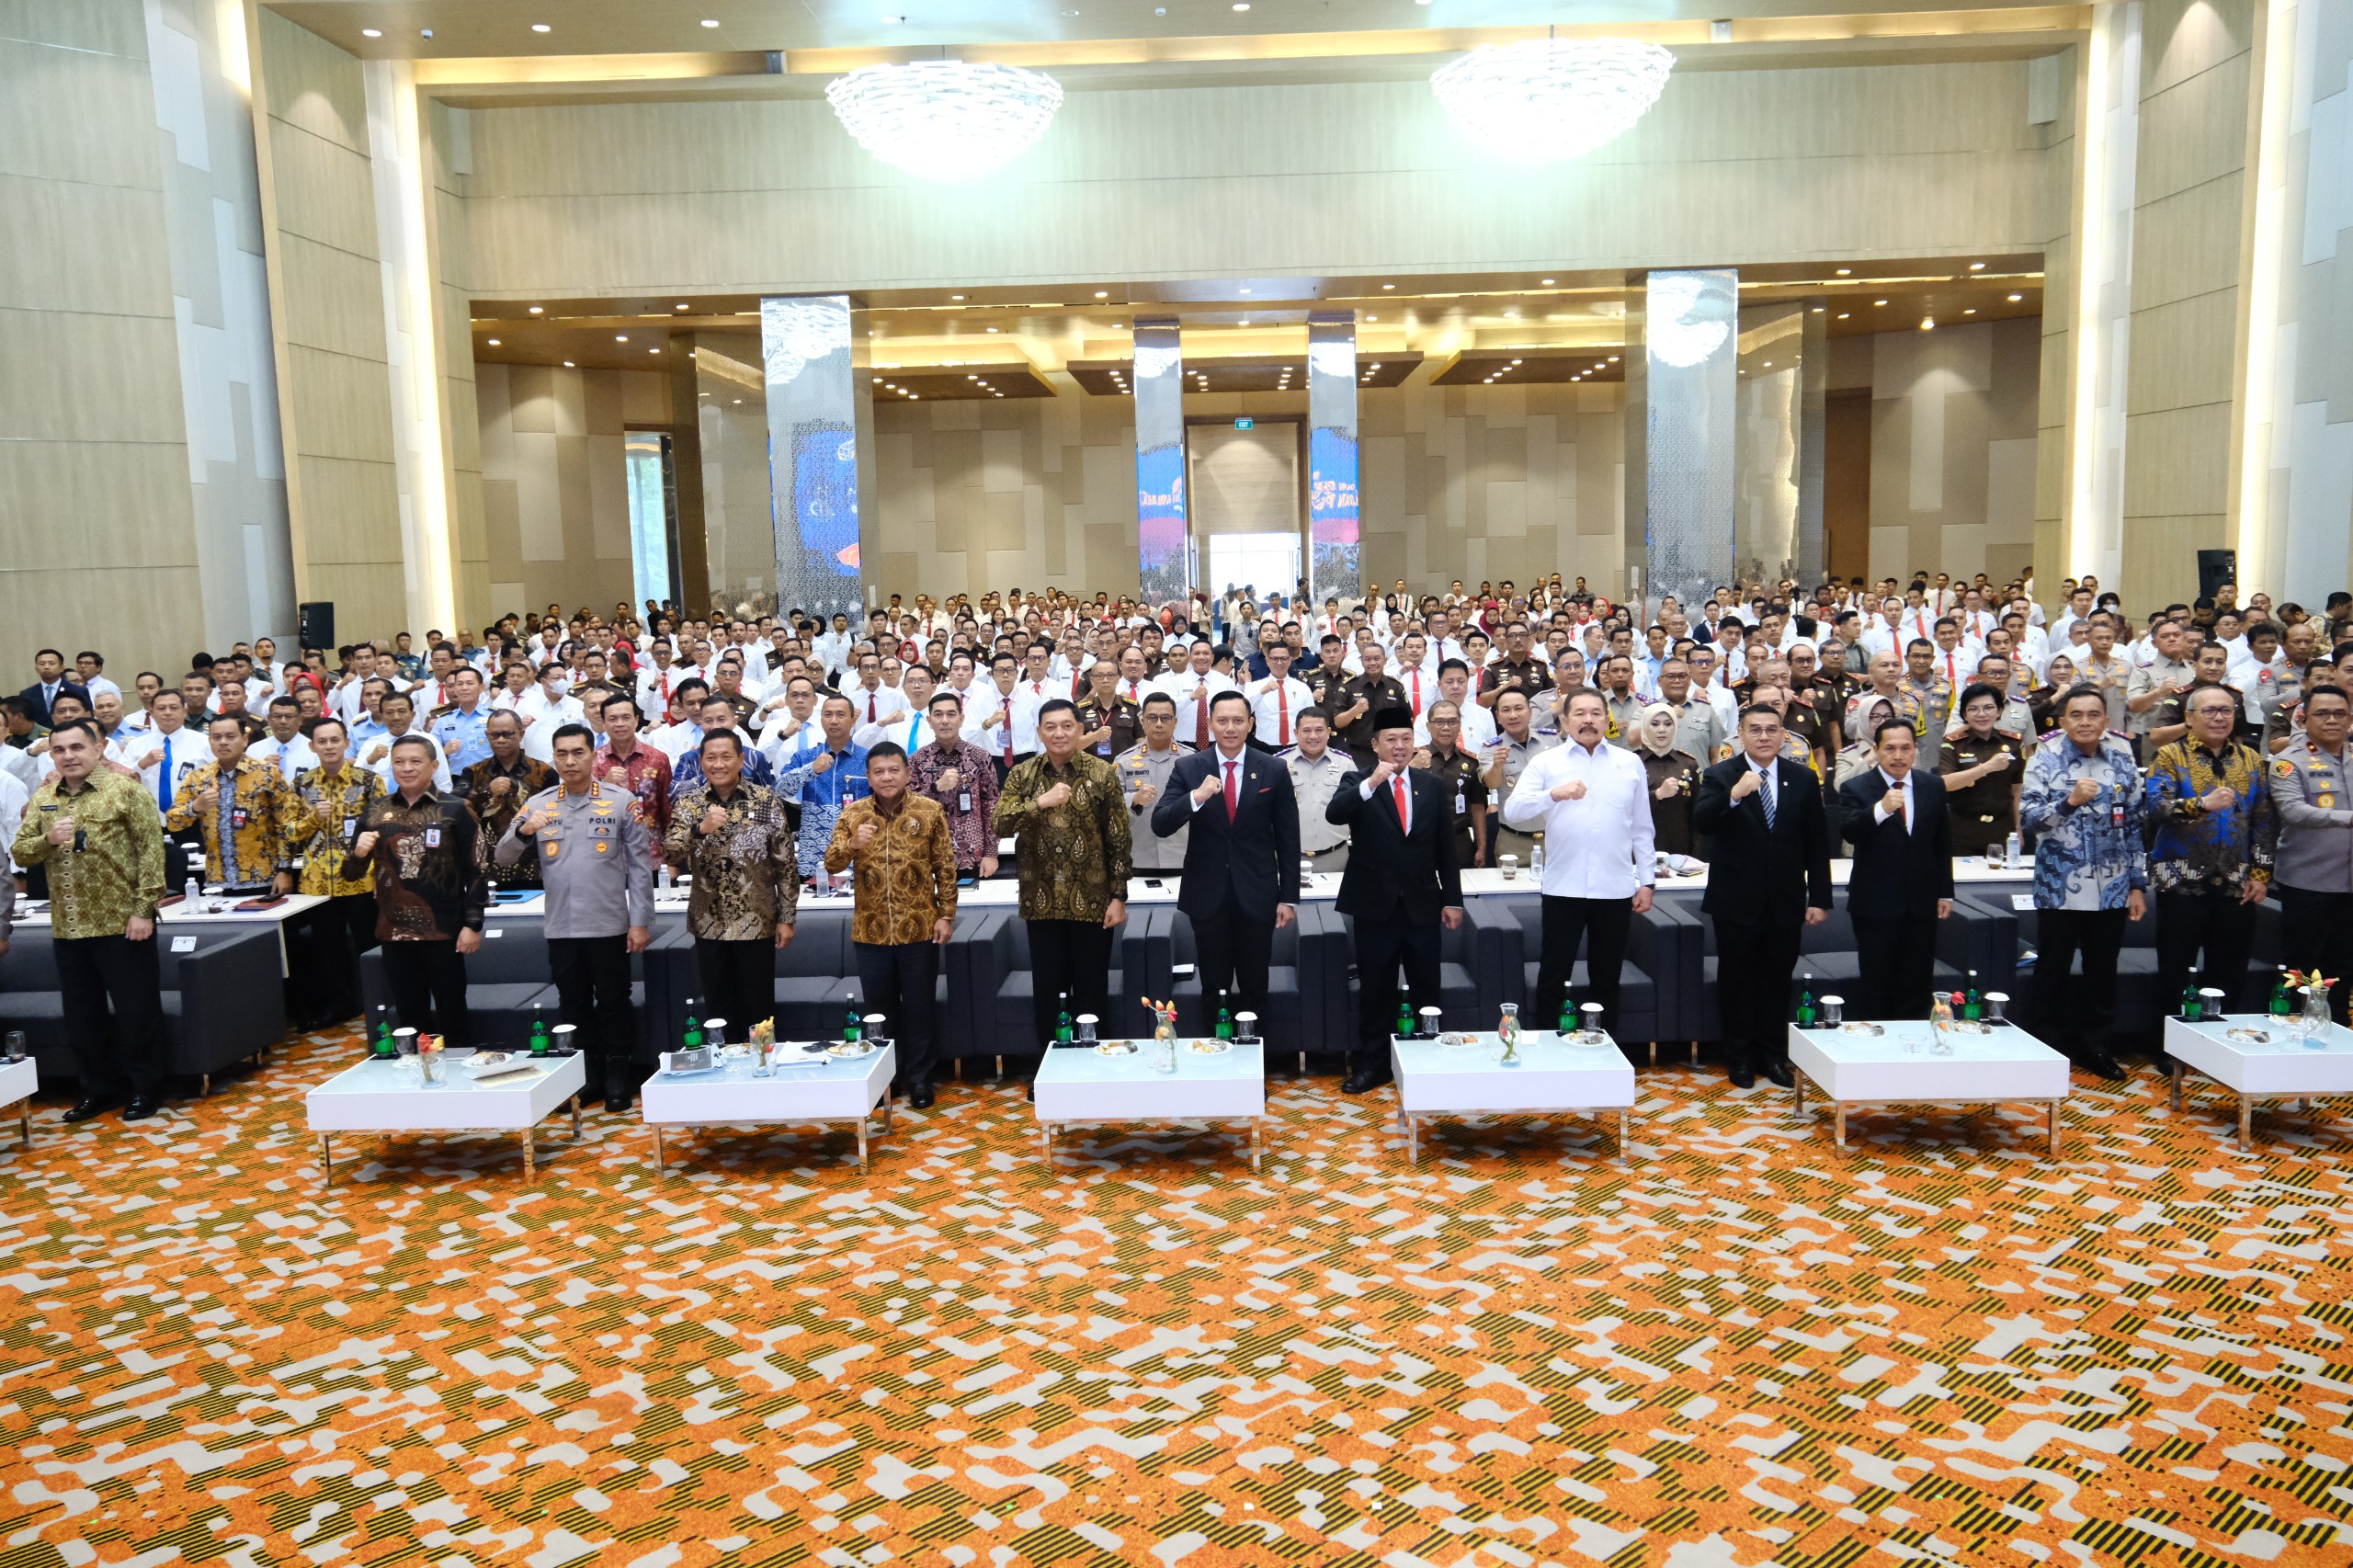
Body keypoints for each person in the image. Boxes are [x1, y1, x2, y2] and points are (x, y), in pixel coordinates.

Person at [11, 721, 167, 1121]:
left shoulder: (126, 790)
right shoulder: (45, 796)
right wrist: (48, 840)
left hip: (123, 924)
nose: (68, 756)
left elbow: (151, 854)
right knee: (83, 1017)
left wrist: (143, 910)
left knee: (136, 1013)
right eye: (60, 750)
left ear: (98, 749)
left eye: (77, 747)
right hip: (69, 925)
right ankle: (98, 1090)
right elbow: (21, 852)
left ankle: (145, 1089)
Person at [498, 724, 654, 1108]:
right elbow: (501, 856)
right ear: (554, 758)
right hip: (562, 926)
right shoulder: (539, 804)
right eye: (562, 754)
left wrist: (640, 922)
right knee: (573, 1003)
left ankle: (617, 1074)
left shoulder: (621, 801)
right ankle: (587, 1074)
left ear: (593, 755)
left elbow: (640, 867)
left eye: (578, 752)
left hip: (608, 924)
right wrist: (524, 832)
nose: (570, 761)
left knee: (614, 1001)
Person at [1690, 704, 1834, 1088]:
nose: (1764, 736)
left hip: (1786, 900)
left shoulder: (1803, 778)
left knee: (1776, 980)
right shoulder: (1721, 774)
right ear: (1740, 734)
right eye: (1755, 729)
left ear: (1784, 735)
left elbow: (1817, 843)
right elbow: (1703, 822)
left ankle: (1772, 1055)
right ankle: (1738, 1057)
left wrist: (1820, 897)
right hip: (1735, 901)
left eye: (1772, 729)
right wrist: (1734, 795)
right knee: (1736, 981)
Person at [1501, 689, 1655, 1035]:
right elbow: (1513, 810)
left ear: (1606, 719)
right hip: (1563, 887)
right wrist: (1553, 794)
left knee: (1607, 977)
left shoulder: (1629, 762)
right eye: (1580, 714)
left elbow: (1642, 828)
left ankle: (1604, 1046)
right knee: (1554, 976)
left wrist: (1647, 881)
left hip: (1614, 888)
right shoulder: (1547, 762)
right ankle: (1549, 1045)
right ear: (1565, 720)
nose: (1588, 720)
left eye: (1596, 713)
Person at [995, 699, 1132, 1088]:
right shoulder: (1023, 773)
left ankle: (1093, 1074)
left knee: (1092, 993)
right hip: (1042, 905)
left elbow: (1118, 839)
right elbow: (1000, 824)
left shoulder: (1102, 773)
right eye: (1051, 727)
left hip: (1093, 904)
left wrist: (1118, 896)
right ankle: (1051, 1074)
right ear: (1039, 732)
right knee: (1048, 995)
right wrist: (1040, 803)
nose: (1059, 733)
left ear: (1079, 729)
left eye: (1067, 726)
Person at [1326, 707, 1464, 1092]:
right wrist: (1372, 782)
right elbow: (1335, 814)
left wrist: (1453, 900)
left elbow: (1445, 849)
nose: (1400, 746)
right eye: (1391, 739)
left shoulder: (1430, 785)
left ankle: (1427, 1058)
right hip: (1375, 906)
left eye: (1406, 738)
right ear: (1375, 745)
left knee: (1426, 986)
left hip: (1423, 904)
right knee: (1376, 989)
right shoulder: (1358, 780)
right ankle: (1373, 1064)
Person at [2018, 685, 2148, 1080]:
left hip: (2113, 886)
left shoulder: (2122, 758)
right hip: (2059, 886)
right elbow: (2028, 820)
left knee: (2102, 971)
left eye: (2094, 715)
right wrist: (2068, 802)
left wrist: (2137, 884)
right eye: (2076, 715)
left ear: (2106, 720)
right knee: (2052, 970)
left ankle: (2097, 1046)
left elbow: (2135, 825)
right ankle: (2046, 1045)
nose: (2085, 722)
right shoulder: (2045, 758)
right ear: (2062, 721)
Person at [1151, 689, 1300, 1026]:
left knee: (1255, 985)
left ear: (1250, 724)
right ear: (1209, 724)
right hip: (1208, 895)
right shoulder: (1189, 767)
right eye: (1222, 721)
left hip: (1258, 893)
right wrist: (1197, 796)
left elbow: (1289, 838)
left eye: (1237, 721)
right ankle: (1216, 1049)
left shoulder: (1273, 768)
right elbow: (1161, 823)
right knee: (1213, 986)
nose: (1230, 728)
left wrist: (1288, 897)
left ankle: (1254, 1048)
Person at [823, 742, 960, 1108]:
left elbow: (945, 866)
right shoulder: (853, 814)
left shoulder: (929, 810)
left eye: (893, 770)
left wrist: (946, 914)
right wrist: (852, 845)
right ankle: (887, 1078)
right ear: (868, 777)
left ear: (907, 774)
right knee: (879, 1011)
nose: (886, 777)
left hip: (919, 926)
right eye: (879, 772)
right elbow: (831, 863)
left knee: (919, 1007)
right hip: (871, 931)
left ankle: (920, 1079)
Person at [345, 736, 488, 1046]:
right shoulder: (375, 810)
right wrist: (357, 854)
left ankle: (458, 1071)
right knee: (409, 1016)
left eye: (415, 761)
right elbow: (350, 875)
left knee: (452, 1012)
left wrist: (473, 923)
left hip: (445, 930)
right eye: (399, 762)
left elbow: (477, 868)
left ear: (434, 766)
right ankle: (417, 1072)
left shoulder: (457, 808)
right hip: (393, 931)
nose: (406, 768)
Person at [2144, 683, 2274, 1023]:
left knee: (2230, 973)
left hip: (2236, 884)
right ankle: (2168, 1043)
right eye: (2210, 710)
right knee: (2175, 972)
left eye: (2226, 710)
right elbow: (2156, 809)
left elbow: (2263, 821)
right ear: (2189, 718)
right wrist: (2202, 804)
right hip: (2180, 883)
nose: (2219, 717)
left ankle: (2221, 1040)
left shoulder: (2251, 759)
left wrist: (2261, 874)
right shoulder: (2170, 755)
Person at [664, 730, 800, 1042]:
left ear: (740, 760)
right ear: (701, 762)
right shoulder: (690, 803)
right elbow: (670, 852)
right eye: (711, 758)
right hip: (708, 922)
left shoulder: (765, 800)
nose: (719, 764)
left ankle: (762, 1062)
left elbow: (786, 864)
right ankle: (724, 1065)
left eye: (726, 757)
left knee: (759, 1007)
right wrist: (699, 829)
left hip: (757, 921)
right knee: (718, 1008)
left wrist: (787, 917)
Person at [1836, 719, 1956, 1021]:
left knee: (1917, 982)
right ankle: (1877, 1041)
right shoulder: (1856, 787)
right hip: (1874, 905)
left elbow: (1942, 843)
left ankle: (1913, 1042)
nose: (1898, 756)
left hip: (1921, 903)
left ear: (1916, 749)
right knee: (1877, 982)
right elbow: (1850, 832)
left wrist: (1945, 892)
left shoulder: (1932, 785)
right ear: (1876, 750)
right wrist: (1881, 809)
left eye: (1905, 748)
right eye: (1890, 748)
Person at [286, 717, 384, 1028]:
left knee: (369, 945)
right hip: (318, 884)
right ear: (312, 746)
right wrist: (313, 818)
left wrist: (382, 875)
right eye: (322, 741)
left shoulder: (368, 781)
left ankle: (378, 1003)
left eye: (334, 740)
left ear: (346, 743)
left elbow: (382, 829)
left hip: (361, 879)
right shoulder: (302, 784)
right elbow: (289, 832)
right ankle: (341, 1006)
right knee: (327, 950)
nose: (329, 746)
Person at [2269, 682, 2353, 1020]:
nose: (2332, 720)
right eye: (2323, 713)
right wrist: (2348, 818)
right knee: (2301, 966)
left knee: (2344, 965)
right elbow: (2293, 811)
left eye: (2340, 713)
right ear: (2304, 719)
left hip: (2349, 885)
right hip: (2308, 881)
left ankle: (2336, 1031)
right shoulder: (2288, 762)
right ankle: (2290, 1027)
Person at [163, 714, 298, 892]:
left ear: (244, 740)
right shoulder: (198, 777)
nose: (223, 742)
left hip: (264, 878)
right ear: (209, 741)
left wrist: (285, 870)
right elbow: (172, 822)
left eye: (230, 736)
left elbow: (287, 825)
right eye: (216, 737)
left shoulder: (268, 774)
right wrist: (194, 808)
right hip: (216, 881)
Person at [775, 694, 870, 879]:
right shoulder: (805, 757)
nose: (833, 720)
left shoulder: (868, 759)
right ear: (821, 720)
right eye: (828, 714)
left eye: (840, 714)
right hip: (814, 856)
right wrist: (811, 769)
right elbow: (780, 790)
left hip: (857, 854)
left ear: (853, 720)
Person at [909, 691, 1000, 882]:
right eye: (938, 714)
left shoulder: (979, 756)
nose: (945, 721)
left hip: (972, 856)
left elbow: (992, 806)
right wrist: (936, 788)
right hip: (928, 855)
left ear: (961, 719)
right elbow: (909, 807)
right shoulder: (917, 760)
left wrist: (991, 853)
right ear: (929, 721)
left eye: (951, 714)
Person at [464, 710, 555, 892]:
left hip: (534, 868)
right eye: (495, 735)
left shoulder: (544, 772)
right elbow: (457, 805)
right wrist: (486, 791)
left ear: (521, 734)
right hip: (487, 869)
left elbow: (556, 815)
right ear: (487, 736)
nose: (500, 740)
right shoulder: (473, 772)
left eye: (507, 734)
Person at [1938, 683, 2024, 856]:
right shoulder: (1953, 743)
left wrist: (2018, 827)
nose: (1982, 714)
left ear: (1999, 711)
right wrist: (1986, 768)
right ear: (1964, 714)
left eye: (1988, 708)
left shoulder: (2013, 743)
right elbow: (1946, 783)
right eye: (1973, 709)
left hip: (2002, 829)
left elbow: (2017, 789)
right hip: (1962, 831)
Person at [1116, 693, 1191, 875]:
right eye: (1152, 718)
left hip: (1183, 855)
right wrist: (1134, 800)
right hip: (1139, 856)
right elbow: (1112, 806)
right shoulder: (1124, 761)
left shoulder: (1192, 760)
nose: (1159, 724)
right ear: (1142, 722)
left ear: (1175, 722)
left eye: (1165, 718)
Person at [1413, 699, 1489, 871]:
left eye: (1452, 721)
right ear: (1428, 726)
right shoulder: (1414, 759)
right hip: (1421, 840)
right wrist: (1411, 768)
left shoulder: (1471, 763)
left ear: (1460, 725)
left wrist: (1482, 848)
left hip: (1459, 840)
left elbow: (1477, 807)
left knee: (1461, 887)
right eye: (1439, 722)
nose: (1446, 727)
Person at [1630, 702, 1703, 863]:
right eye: (1655, 724)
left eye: (1668, 724)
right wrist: (1657, 795)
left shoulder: (1688, 764)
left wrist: (1697, 859)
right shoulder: (1631, 762)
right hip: (1638, 854)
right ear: (1644, 727)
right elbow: (1623, 809)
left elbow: (1698, 816)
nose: (1662, 729)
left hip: (1680, 853)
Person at [1286, 708, 1357, 874]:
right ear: (1296, 733)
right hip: (1289, 857)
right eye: (1306, 731)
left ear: (1329, 732)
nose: (1313, 736)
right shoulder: (1279, 763)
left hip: (1335, 856)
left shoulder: (1346, 764)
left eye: (1319, 730)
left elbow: (1357, 810)